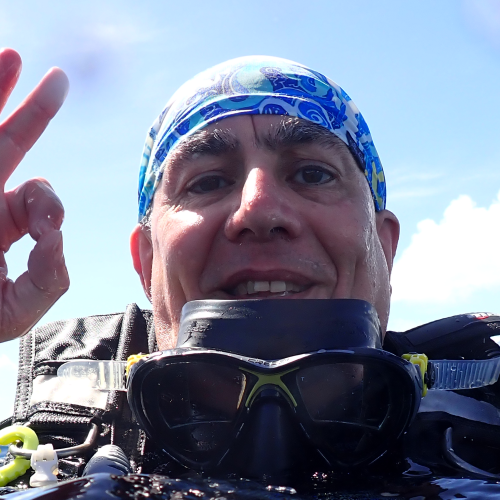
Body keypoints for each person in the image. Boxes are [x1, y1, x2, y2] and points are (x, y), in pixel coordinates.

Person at [1, 48, 500, 497]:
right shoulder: (32, 456)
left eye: (312, 174)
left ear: (384, 247)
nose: (258, 210)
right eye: (207, 182)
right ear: (147, 260)